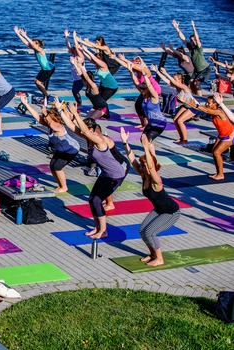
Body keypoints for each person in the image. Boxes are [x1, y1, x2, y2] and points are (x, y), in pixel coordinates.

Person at [62, 103, 126, 239]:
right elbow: (72, 127)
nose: (83, 131)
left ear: (91, 129)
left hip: (116, 175)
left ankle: (103, 230)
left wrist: (75, 113)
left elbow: (84, 130)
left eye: (86, 129)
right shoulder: (89, 138)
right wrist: (60, 110)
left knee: (97, 199)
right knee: (92, 199)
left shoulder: (99, 140)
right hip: (106, 174)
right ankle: (97, 228)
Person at [121, 132, 180, 267]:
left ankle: (159, 258)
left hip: (171, 212)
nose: (140, 168)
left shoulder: (156, 180)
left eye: (143, 166)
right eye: (141, 166)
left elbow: (152, 167)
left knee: (150, 232)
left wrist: (146, 147)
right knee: (142, 230)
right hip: (159, 210)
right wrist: (125, 142)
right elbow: (132, 160)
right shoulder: (144, 176)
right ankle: (153, 254)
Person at [21, 96, 79, 193]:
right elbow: (37, 116)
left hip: (71, 149)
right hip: (61, 149)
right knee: (52, 166)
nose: (44, 119)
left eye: (46, 117)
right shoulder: (49, 124)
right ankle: (60, 185)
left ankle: (64, 187)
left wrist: (45, 112)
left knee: (57, 167)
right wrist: (26, 104)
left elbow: (51, 122)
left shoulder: (57, 126)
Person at [184, 94, 234, 180]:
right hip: (222, 135)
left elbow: (206, 110)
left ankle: (221, 175)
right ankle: (219, 172)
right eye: (207, 102)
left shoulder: (219, 111)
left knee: (216, 152)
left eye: (209, 103)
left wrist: (189, 102)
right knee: (214, 152)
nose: (207, 104)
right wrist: (187, 101)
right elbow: (201, 108)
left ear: (215, 104)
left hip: (229, 136)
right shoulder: (213, 110)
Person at [151, 65, 196, 144]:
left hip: (194, 106)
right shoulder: (177, 86)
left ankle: (185, 140)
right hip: (186, 105)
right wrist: (157, 71)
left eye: (175, 79)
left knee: (180, 120)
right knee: (175, 120)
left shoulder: (184, 86)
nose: (173, 80)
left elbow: (173, 81)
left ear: (180, 79)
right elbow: (167, 81)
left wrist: (166, 73)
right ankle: (181, 138)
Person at [126, 62, 166, 144]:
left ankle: (149, 156)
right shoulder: (144, 95)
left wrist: (145, 75)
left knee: (146, 141)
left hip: (159, 123)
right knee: (142, 139)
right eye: (142, 89)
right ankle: (151, 154)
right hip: (151, 123)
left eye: (144, 89)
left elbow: (150, 86)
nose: (142, 90)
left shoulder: (154, 97)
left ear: (148, 89)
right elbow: (135, 82)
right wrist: (131, 72)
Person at [14, 26, 55, 102]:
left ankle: (46, 96)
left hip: (49, 69)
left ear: (38, 44)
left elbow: (32, 44)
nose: (31, 45)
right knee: (36, 81)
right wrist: (18, 34)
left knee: (37, 82)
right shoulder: (35, 49)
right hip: (45, 69)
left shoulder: (40, 50)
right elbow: (26, 43)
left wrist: (25, 35)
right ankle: (45, 95)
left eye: (34, 43)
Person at [172, 20, 211, 96]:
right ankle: (194, 96)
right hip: (197, 71)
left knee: (196, 83)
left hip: (205, 69)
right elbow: (183, 39)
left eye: (193, 40)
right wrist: (177, 28)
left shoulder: (198, 48)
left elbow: (197, 38)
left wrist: (193, 27)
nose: (191, 41)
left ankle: (200, 99)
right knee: (191, 82)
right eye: (190, 40)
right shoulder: (191, 49)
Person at [64, 30, 85, 109]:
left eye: (76, 46)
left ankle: (80, 104)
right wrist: (66, 37)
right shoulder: (74, 53)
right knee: (74, 91)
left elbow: (76, 46)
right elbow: (68, 46)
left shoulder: (81, 56)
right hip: (75, 77)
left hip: (81, 76)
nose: (75, 47)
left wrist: (74, 37)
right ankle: (79, 103)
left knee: (75, 91)